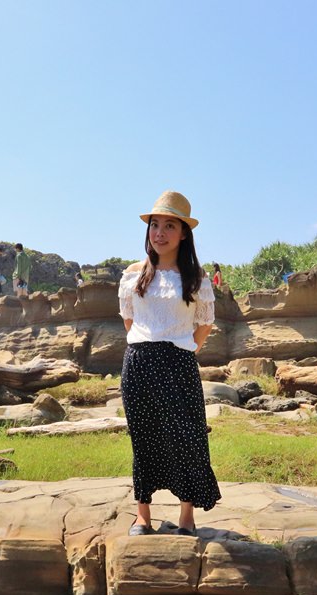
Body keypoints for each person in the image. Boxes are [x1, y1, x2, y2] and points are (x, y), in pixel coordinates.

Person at [118, 190, 221, 538]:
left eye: (169, 226)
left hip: (178, 364)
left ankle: (187, 516)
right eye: (155, 225)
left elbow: (204, 322)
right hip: (139, 364)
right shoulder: (134, 274)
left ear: (183, 233)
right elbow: (129, 319)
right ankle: (142, 515)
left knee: (187, 438)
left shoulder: (195, 277)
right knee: (143, 439)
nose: (159, 233)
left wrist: (186, 348)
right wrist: (146, 344)